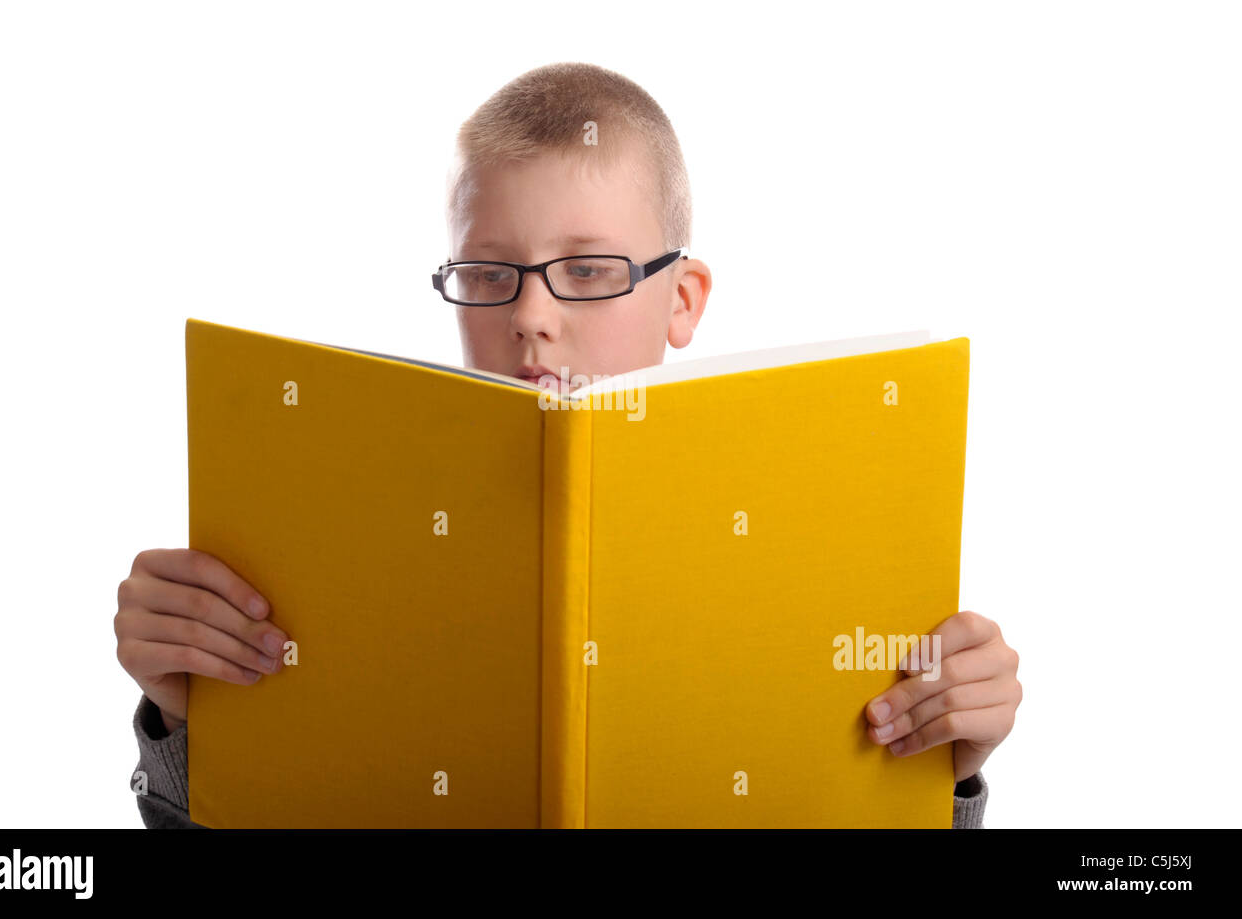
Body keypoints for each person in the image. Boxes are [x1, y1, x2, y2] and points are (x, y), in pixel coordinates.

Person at [117, 61, 1020, 829]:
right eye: (488, 274)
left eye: (587, 270)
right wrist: (185, 720)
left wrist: (948, 775)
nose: (531, 318)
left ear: (684, 298)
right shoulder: (322, 524)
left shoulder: (825, 531)